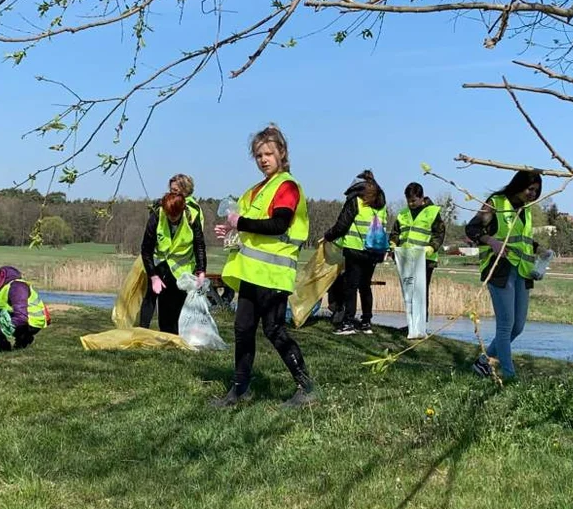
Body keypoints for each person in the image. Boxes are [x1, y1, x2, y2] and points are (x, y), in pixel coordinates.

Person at [213, 125, 315, 408]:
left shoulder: (286, 186)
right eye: (258, 155)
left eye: (269, 153)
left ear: (282, 153)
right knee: (242, 329)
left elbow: (279, 224)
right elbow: (251, 233)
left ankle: (306, 387)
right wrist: (232, 234)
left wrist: (240, 223)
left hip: (273, 274)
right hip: (250, 273)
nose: (263, 159)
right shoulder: (254, 191)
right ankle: (239, 390)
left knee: (274, 330)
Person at [465, 169, 542, 380]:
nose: (533, 194)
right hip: (500, 270)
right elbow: (471, 229)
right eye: (530, 189)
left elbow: (520, 239)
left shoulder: (524, 209)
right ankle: (509, 376)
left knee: (518, 327)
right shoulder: (495, 203)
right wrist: (492, 241)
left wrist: (539, 250)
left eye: (536, 191)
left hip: (522, 272)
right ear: (518, 185)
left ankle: (483, 361)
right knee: (506, 325)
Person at [322, 169, 388, 335]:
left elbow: (342, 224)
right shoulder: (381, 204)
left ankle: (348, 323)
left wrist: (327, 236)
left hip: (355, 249)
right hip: (373, 251)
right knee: (365, 286)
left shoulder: (356, 201)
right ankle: (366, 322)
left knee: (350, 287)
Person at [139, 174, 204, 328]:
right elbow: (146, 248)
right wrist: (153, 275)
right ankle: (143, 330)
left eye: (176, 190)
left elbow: (199, 244)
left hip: (181, 266)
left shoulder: (192, 213)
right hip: (159, 262)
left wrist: (201, 270)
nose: (172, 192)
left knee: (173, 303)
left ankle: (174, 334)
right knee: (151, 297)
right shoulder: (159, 213)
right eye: (171, 190)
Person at [389, 182, 446, 322]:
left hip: (425, 259)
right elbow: (395, 232)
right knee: (409, 292)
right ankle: (411, 323)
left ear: (421, 198)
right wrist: (393, 245)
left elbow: (439, 233)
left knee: (421, 292)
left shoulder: (432, 212)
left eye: (413, 200)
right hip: (406, 258)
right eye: (408, 200)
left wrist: (431, 247)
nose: (410, 203)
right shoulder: (403, 213)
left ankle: (420, 324)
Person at [0, 265, 49, 351]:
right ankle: (8, 342)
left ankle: (21, 338)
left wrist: (0, 324)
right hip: (17, 317)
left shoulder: (17, 287)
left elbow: (22, 317)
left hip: (32, 321)